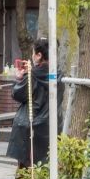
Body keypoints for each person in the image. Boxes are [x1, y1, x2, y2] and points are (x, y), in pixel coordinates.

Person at [7, 39, 56, 170]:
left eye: (34, 53)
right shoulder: (57, 75)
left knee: (25, 170)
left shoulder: (31, 75)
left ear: (39, 55)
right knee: (45, 168)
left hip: (28, 125)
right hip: (49, 126)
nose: (32, 56)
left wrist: (18, 78)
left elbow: (17, 94)